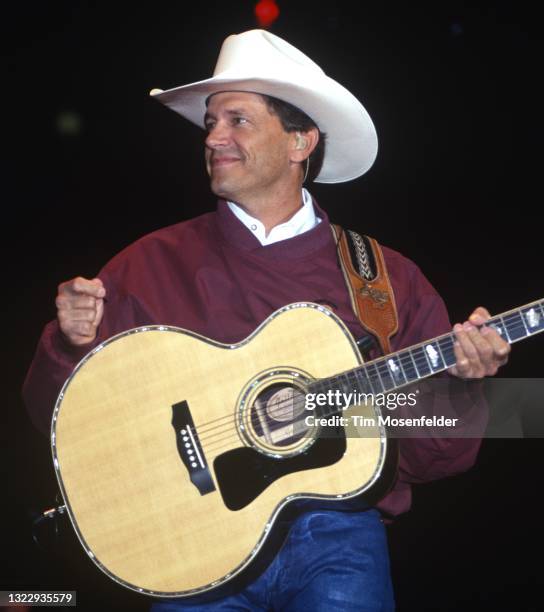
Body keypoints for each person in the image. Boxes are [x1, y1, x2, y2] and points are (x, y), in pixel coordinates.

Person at [23, 30, 510, 611]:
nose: (215, 138)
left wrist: (467, 383)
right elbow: (56, 418)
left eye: (238, 121)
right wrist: (70, 346)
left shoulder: (385, 279)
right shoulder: (148, 264)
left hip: (341, 536)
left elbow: (437, 455)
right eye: (211, 123)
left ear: (300, 142)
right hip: (192, 545)